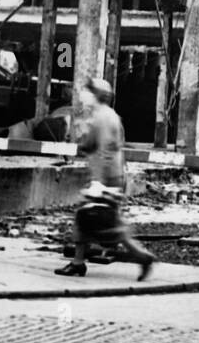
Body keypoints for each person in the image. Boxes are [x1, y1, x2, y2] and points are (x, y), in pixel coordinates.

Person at [55, 77, 155, 280]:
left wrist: (98, 184)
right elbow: (92, 146)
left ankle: (143, 257)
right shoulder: (103, 116)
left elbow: (105, 151)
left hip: (106, 178)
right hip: (110, 176)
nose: (82, 95)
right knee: (89, 218)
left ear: (95, 95)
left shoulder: (104, 118)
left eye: (85, 91)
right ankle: (78, 262)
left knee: (109, 224)